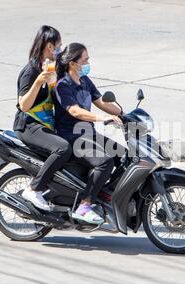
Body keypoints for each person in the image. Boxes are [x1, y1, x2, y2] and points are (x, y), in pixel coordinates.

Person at [54, 43, 124, 225]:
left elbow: (101, 102)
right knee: (104, 162)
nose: (87, 63)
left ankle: (105, 195)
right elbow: (75, 111)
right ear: (72, 63)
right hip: (72, 136)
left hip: (88, 134)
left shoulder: (85, 81)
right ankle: (85, 206)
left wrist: (124, 114)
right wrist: (101, 118)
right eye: (84, 60)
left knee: (124, 154)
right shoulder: (63, 86)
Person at [13, 25, 72, 212]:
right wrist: (38, 82)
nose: (59, 50)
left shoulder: (50, 67)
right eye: (58, 46)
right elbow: (23, 104)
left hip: (45, 124)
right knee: (63, 148)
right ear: (48, 46)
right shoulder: (30, 71)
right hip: (28, 125)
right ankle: (33, 189)